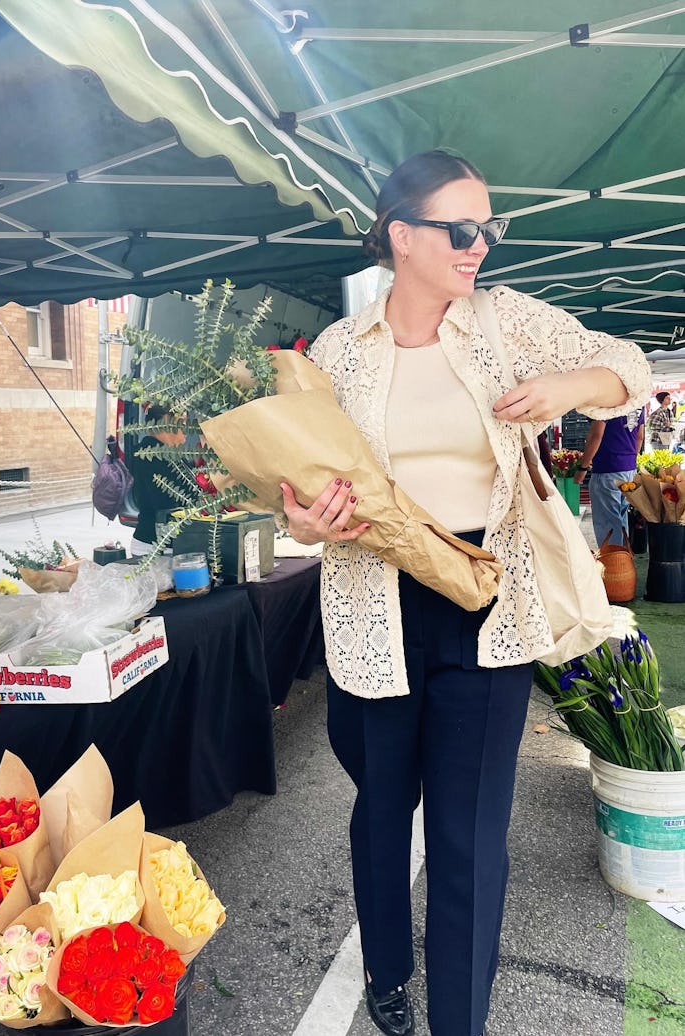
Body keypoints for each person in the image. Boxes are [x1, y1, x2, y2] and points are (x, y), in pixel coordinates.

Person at [278, 149, 650, 1036]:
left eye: (491, 227)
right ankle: (386, 972)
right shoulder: (338, 352)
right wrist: (309, 524)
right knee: (382, 809)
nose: (481, 244)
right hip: (373, 602)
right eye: (462, 228)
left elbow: (628, 367)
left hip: (489, 603)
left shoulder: (506, 322)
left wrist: (566, 385)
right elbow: (294, 504)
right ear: (401, 238)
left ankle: (460, 1018)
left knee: (469, 829)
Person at [573, 410, 645, 547]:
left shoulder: (607, 400)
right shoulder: (637, 401)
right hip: (629, 470)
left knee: (608, 525)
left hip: (608, 469)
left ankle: (614, 565)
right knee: (621, 521)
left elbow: (596, 435)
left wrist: (583, 468)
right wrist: (628, 460)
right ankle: (623, 563)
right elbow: (639, 437)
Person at [128, 404, 186, 555]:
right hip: (154, 547)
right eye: (183, 424)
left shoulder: (170, 456)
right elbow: (165, 502)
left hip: (163, 543)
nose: (186, 435)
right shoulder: (150, 456)